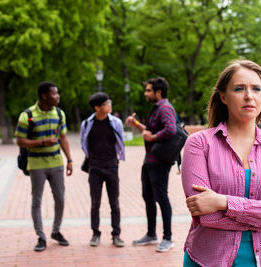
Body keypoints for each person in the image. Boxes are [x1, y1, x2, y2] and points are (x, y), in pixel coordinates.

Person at [181, 60, 261, 267]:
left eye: (256, 89)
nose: (249, 96)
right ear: (223, 97)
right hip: (207, 260)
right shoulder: (199, 144)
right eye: (239, 89)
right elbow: (204, 216)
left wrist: (222, 202)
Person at [15, 81, 73, 252]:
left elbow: (63, 138)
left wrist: (69, 160)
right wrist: (42, 142)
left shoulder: (59, 114)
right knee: (37, 201)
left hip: (56, 163)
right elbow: (19, 140)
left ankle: (56, 231)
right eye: (54, 93)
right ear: (44, 96)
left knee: (60, 199)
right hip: (36, 164)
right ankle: (41, 237)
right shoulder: (27, 115)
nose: (58, 96)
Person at [125, 77, 176, 252]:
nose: (145, 93)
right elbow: (151, 129)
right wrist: (137, 124)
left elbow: (171, 129)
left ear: (158, 92)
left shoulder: (165, 108)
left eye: (148, 90)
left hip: (159, 163)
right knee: (148, 197)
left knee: (162, 198)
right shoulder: (157, 109)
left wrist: (153, 138)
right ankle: (151, 234)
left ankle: (168, 238)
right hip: (149, 161)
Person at [80, 92, 125, 247]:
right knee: (95, 203)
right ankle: (95, 234)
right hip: (95, 168)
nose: (109, 105)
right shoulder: (87, 124)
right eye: (106, 103)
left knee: (114, 203)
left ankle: (116, 235)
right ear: (97, 108)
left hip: (112, 166)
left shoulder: (116, 122)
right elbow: (83, 143)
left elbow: (120, 141)